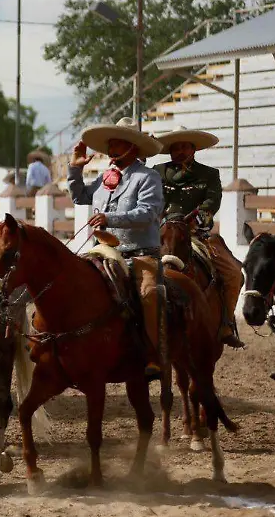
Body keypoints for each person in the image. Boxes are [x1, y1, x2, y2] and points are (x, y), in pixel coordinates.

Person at [68, 117, 166, 381]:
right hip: (102, 252)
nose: (111, 148)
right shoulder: (104, 177)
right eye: (110, 143)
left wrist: (111, 219)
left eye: (117, 142)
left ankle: (152, 353)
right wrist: (75, 170)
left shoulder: (148, 177)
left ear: (132, 146)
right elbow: (79, 197)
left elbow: (147, 213)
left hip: (140, 254)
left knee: (148, 293)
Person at [151, 126, 245, 348]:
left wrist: (197, 219)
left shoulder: (209, 174)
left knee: (234, 274)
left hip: (197, 235)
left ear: (193, 149)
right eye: (176, 147)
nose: (180, 151)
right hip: (161, 235)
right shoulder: (156, 172)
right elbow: (151, 201)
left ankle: (225, 323)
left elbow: (212, 203)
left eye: (185, 146)